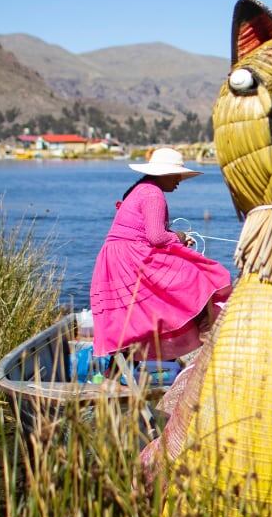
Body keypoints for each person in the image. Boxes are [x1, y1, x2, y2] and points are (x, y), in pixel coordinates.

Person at [90, 147, 231, 363]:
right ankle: (203, 328)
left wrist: (175, 238)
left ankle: (115, 374)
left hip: (116, 258)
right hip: (130, 257)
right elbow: (156, 237)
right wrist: (181, 237)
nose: (179, 181)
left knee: (136, 315)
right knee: (196, 275)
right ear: (163, 174)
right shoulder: (152, 193)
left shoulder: (143, 189)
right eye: (176, 175)